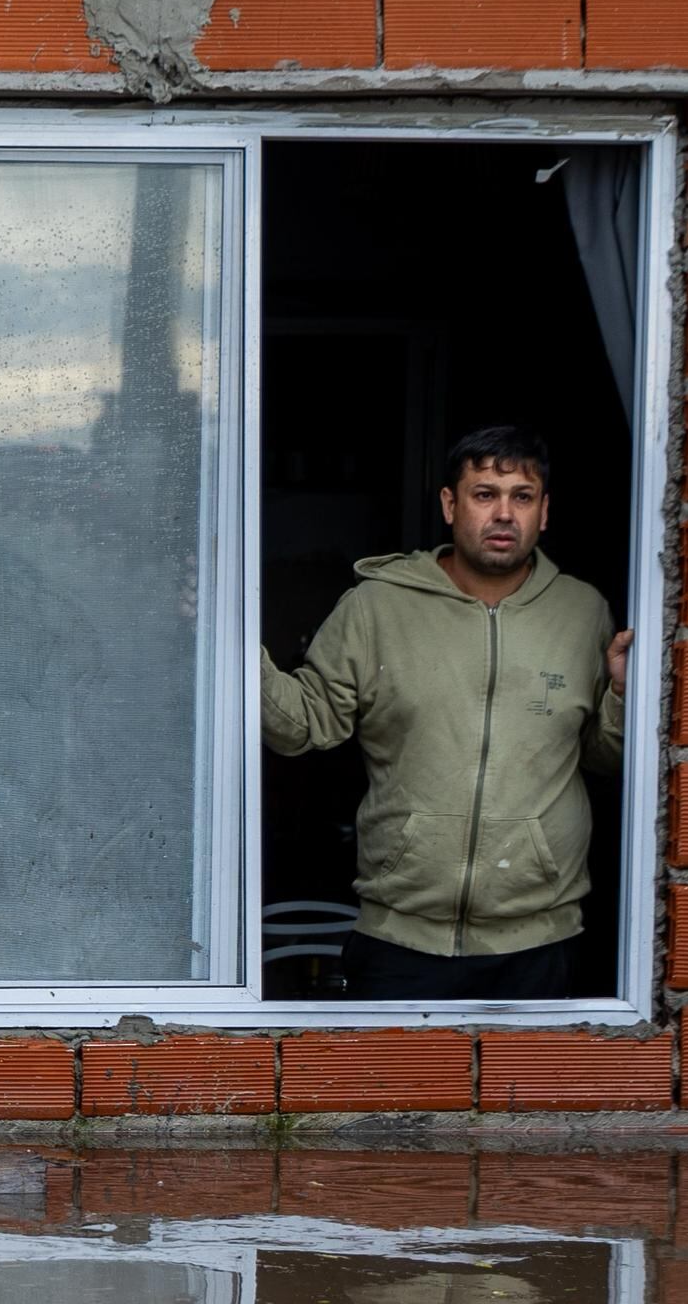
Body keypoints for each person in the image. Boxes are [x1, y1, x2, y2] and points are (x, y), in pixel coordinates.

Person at [261, 425, 633, 1001]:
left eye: (522, 496)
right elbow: (305, 724)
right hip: (400, 939)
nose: (504, 513)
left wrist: (620, 698)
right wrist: (230, 648)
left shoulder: (583, 612)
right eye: (485, 494)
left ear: (545, 512)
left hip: (540, 940)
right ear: (449, 504)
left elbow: (603, 759)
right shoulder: (377, 607)